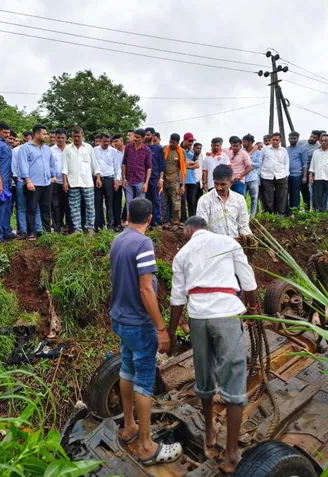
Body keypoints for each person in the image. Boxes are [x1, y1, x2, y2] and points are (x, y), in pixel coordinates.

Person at [168, 215, 258, 474]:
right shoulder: (228, 243)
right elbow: (249, 282)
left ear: (188, 232)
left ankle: (209, 433)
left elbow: (177, 298)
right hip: (226, 313)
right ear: (206, 228)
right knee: (233, 382)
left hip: (198, 318)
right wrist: (252, 309)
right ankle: (231, 455)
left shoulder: (182, 254)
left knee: (204, 376)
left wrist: (172, 333)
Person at [110, 197, 182, 465]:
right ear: (150, 219)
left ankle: (129, 427)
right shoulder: (143, 244)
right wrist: (161, 328)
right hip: (139, 323)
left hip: (120, 318)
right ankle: (146, 445)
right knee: (143, 381)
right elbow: (145, 289)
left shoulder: (118, 240)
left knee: (126, 370)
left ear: (128, 215)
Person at [18, 124, 56, 241]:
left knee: (46, 208)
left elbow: (51, 163)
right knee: (32, 208)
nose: (46, 136)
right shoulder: (25, 148)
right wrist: (28, 181)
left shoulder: (46, 149)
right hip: (33, 184)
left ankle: (46, 232)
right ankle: (31, 233)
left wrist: (53, 176)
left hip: (46, 183)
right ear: (36, 134)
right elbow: (23, 165)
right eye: (44, 134)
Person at [62, 126, 101, 234]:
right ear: (71, 137)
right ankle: (77, 230)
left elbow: (94, 164)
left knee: (90, 206)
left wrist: (98, 177)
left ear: (82, 135)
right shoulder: (67, 149)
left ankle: (90, 228)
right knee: (74, 206)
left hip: (87, 181)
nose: (76, 138)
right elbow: (64, 166)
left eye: (78, 136)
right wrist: (65, 181)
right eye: (74, 136)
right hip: (73, 182)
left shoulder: (88, 147)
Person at [197, 165, 251, 238]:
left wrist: (247, 236)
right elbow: (201, 230)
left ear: (231, 183)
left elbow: (243, 225)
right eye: (216, 183)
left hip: (235, 246)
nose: (219, 188)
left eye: (223, 184)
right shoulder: (205, 200)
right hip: (214, 246)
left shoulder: (239, 199)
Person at [12, 131, 42, 239]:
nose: (25, 142)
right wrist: (19, 182)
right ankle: (23, 231)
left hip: (34, 182)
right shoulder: (16, 151)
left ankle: (38, 229)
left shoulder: (37, 149)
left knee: (35, 206)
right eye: (24, 141)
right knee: (21, 207)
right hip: (21, 181)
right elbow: (14, 168)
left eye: (27, 140)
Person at [93, 133, 121, 231]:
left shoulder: (114, 152)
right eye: (104, 141)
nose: (106, 143)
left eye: (108, 141)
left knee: (110, 203)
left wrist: (117, 180)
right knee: (97, 203)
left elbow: (117, 167)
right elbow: (94, 166)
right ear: (100, 140)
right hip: (97, 179)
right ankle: (98, 225)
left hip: (109, 179)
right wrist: (97, 177)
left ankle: (110, 225)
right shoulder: (94, 151)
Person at [260, 132, 289, 215]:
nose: (275, 141)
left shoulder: (283, 150)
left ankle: (280, 214)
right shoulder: (264, 150)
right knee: (269, 197)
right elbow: (260, 162)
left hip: (281, 176)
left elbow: (286, 163)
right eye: (273, 140)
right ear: (271, 140)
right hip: (267, 176)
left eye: (277, 140)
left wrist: (286, 174)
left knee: (281, 197)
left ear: (280, 141)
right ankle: (270, 214)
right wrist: (261, 173)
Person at [122, 128, 152, 210]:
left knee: (141, 203)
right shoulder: (128, 147)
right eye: (134, 136)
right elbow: (124, 163)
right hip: (129, 180)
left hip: (140, 180)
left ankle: (140, 222)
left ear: (143, 138)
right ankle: (129, 221)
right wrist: (124, 177)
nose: (135, 139)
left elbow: (149, 167)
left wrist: (146, 183)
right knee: (129, 202)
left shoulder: (147, 150)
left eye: (137, 137)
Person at [162, 133, 186, 229]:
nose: (171, 144)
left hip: (175, 181)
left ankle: (175, 223)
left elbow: (183, 169)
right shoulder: (164, 149)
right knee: (163, 203)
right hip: (163, 181)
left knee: (176, 204)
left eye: (173, 142)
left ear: (178, 143)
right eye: (170, 141)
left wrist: (183, 185)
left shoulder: (181, 152)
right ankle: (164, 221)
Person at [51, 128, 72, 234]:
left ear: (66, 138)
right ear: (55, 138)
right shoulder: (50, 150)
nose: (60, 140)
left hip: (69, 182)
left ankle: (70, 229)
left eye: (62, 138)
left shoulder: (70, 149)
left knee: (68, 206)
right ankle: (57, 229)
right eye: (58, 137)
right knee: (55, 206)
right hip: (55, 182)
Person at [144, 127, 164, 228]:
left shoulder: (158, 149)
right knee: (147, 201)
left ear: (153, 135)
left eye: (148, 135)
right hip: (144, 179)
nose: (146, 137)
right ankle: (149, 221)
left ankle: (157, 221)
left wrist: (161, 179)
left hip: (155, 178)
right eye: (145, 135)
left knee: (156, 200)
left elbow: (161, 165)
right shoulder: (143, 148)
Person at [299, 130, 321, 210]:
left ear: (318, 139)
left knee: (310, 192)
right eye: (311, 136)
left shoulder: (318, 146)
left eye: (315, 138)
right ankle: (301, 209)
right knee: (301, 191)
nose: (312, 138)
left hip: (310, 172)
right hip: (299, 171)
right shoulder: (301, 143)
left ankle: (311, 209)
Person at [286, 132, 308, 210]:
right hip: (287, 175)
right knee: (287, 194)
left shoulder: (302, 149)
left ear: (298, 139)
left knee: (295, 194)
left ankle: (296, 211)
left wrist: (304, 176)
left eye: (295, 138)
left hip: (297, 175)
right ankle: (289, 211)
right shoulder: (285, 149)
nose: (293, 140)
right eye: (291, 138)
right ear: (288, 139)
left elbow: (304, 163)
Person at [180, 133, 198, 222]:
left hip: (191, 180)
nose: (191, 142)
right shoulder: (179, 150)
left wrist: (186, 165)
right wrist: (188, 164)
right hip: (181, 180)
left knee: (191, 201)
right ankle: (183, 220)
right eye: (189, 141)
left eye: (192, 141)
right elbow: (179, 164)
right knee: (182, 201)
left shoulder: (192, 152)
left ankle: (192, 219)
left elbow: (197, 165)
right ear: (184, 140)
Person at [242, 134, 261, 217]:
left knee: (254, 198)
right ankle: (243, 215)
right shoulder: (241, 151)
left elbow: (259, 164)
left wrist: (248, 163)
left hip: (253, 178)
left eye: (244, 142)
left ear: (250, 142)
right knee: (242, 198)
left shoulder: (258, 153)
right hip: (243, 177)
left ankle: (253, 216)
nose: (243, 143)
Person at [309, 133, 328, 212]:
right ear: (319, 141)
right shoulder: (316, 152)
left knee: (325, 196)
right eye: (322, 140)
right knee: (318, 196)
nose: (324, 142)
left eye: (326, 141)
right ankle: (319, 212)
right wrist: (310, 175)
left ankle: (324, 210)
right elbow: (312, 165)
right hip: (318, 177)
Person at [111, 134, 125, 232]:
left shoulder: (127, 151)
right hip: (116, 181)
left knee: (127, 202)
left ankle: (123, 220)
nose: (114, 144)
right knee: (115, 202)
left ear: (121, 140)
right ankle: (116, 223)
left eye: (116, 141)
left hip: (127, 180)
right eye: (113, 142)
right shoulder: (113, 153)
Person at [192, 142, 204, 214]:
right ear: (193, 148)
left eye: (200, 148)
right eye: (197, 148)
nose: (199, 150)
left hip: (199, 183)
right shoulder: (191, 157)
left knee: (199, 200)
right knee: (192, 201)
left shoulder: (201, 157)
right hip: (193, 182)